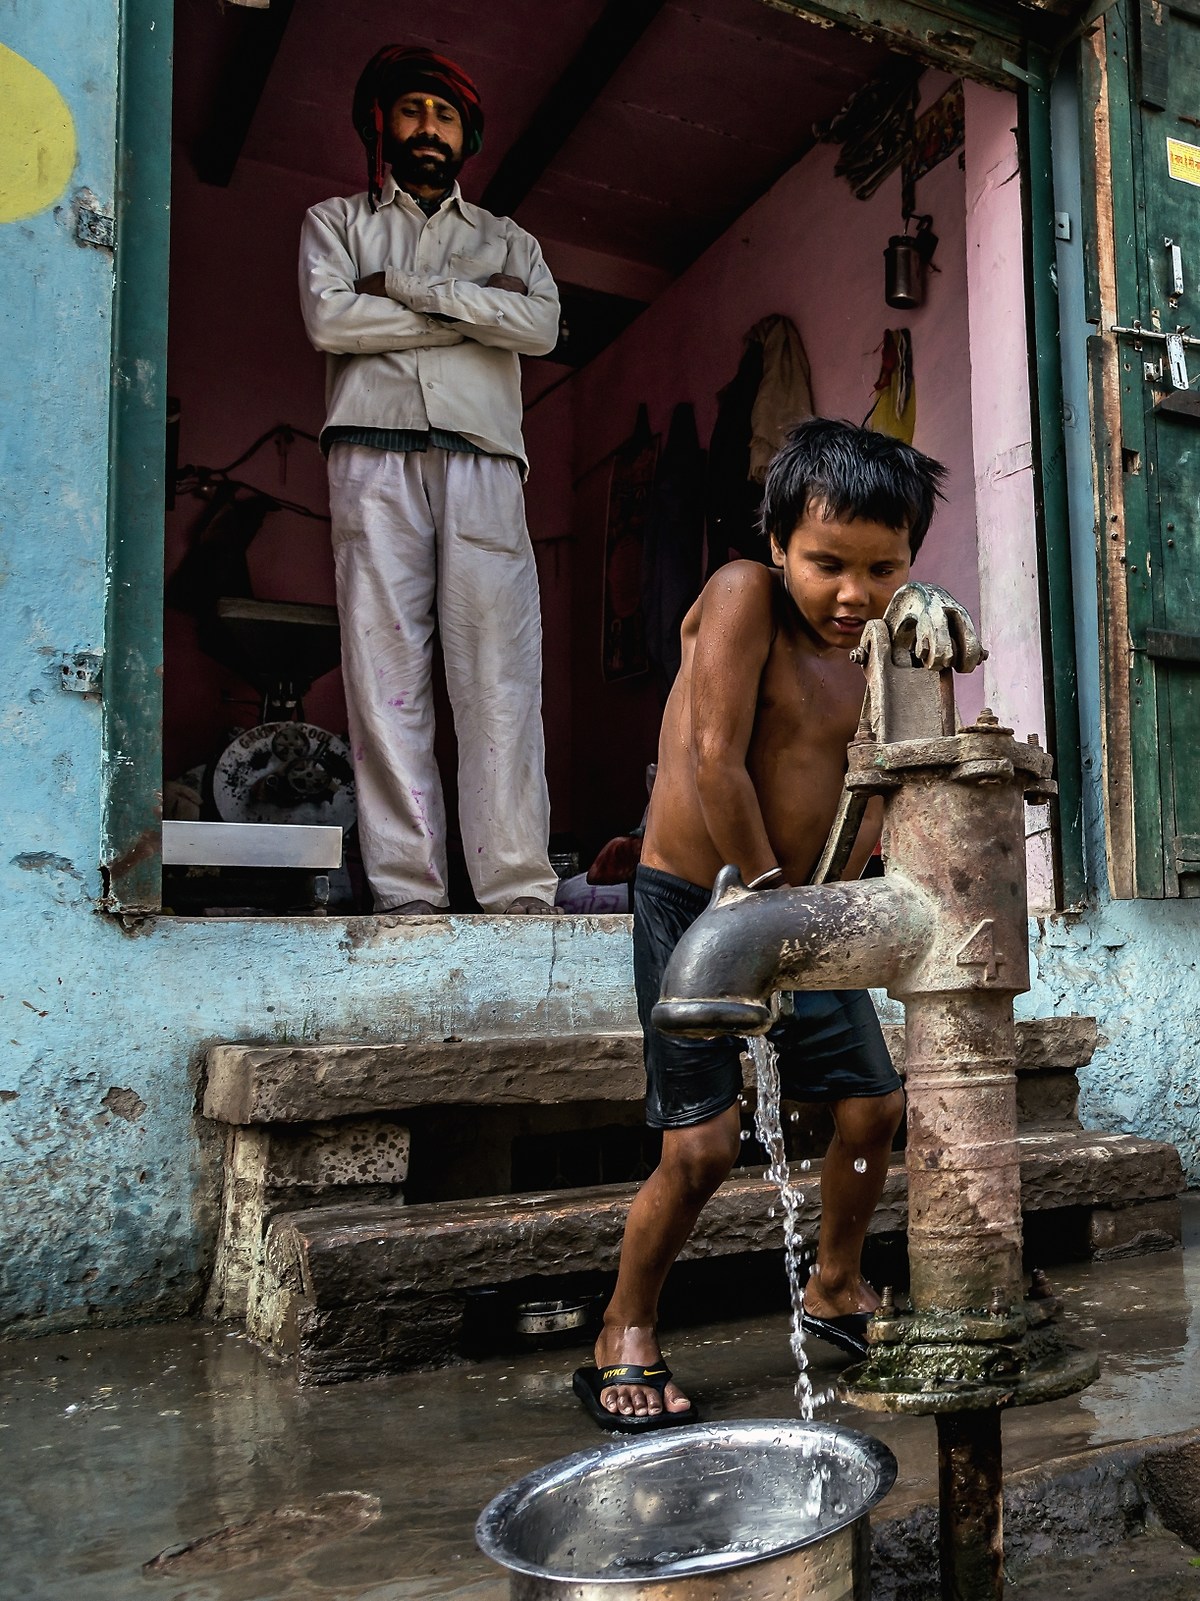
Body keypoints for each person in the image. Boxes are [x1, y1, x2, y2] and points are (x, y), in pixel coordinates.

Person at [580, 420, 963, 1430]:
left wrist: (841, 903)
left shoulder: (884, 648)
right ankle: (623, 1325)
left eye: (882, 569)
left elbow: (882, 790)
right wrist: (766, 894)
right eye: (827, 563)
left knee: (873, 1107)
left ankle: (835, 1282)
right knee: (701, 1149)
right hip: (702, 900)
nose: (853, 593)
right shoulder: (742, 595)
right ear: (779, 543)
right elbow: (714, 760)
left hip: (799, 907)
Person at [300, 46, 562, 914]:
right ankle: (408, 893)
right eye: (413, 110)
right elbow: (331, 320)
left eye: (444, 116)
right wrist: (475, 316)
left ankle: (515, 888)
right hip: (369, 453)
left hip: (483, 455)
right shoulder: (334, 222)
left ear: (465, 137)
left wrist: (408, 289)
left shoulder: (509, 239)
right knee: (385, 673)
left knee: (499, 672)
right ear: (382, 123)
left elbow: (541, 327)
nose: (428, 128)